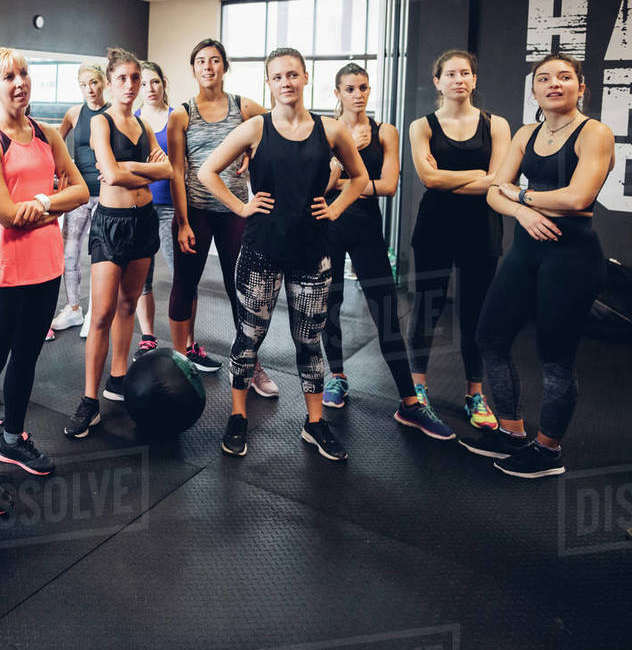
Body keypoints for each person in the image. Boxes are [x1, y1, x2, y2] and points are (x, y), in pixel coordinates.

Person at [198, 47, 368, 461]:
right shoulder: (256, 128)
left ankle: (315, 424)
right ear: (269, 84)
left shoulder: (329, 130)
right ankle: (238, 417)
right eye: (278, 77)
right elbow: (206, 171)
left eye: (293, 74)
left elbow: (359, 177)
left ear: (306, 78)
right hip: (260, 252)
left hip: (312, 253)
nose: (286, 82)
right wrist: (241, 206)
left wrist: (336, 206)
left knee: (308, 341)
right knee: (249, 338)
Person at [461, 53, 614, 478]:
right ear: (534, 90)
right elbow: (493, 193)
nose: (554, 84)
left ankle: (548, 451)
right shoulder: (527, 133)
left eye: (565, 77)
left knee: (554, 358)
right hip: (527, 250)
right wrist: (522, 213)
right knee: (490, 337)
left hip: (573, 256)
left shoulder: (594, 133)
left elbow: (577, 198)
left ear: (581, 88)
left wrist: (522, 196)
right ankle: (512, 434)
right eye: (544, 78)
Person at [0, 48, 88, 515]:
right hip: (4, 271)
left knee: (28, 357)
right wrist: (49, 204)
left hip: (46, 267)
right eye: (8, 76)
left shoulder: (47, 134)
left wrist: (42, 204)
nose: (20, 82)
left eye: (24, 74)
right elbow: (4, 213)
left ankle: (12, 440)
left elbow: (81, 189)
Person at [319, 64, 454, 440]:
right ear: (337, 93)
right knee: (330, 303)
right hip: (327, 224)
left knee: (386, 312)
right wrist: (346, 156)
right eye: (349, 88)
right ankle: (337, 376)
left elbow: (389, 185)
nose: (358, 94)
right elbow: (318, 186)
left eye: (363, 87)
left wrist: (350, 173)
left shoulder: (387, 132)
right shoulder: (325, 131)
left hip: (364, 228)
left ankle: (410, 403)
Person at [65, 49, 171, 439]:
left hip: (143, 223)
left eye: (135, 79)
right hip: (111, 224)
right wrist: (136, 171)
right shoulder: (101, 123)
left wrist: (130, 169)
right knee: (101, 313)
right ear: (110, 83)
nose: (130, 85)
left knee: (130, 304)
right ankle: (90, 401)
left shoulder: (142, 126)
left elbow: (169, 170)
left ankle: (119, 376)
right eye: (122, 79)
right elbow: (109, 173)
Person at [406, 50, 510, 430]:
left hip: (481, 229)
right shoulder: (423, 126)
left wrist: (452, 177)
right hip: (435, 228)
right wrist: (477, 175)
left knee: (476, 314)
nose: (458, 79)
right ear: (438, 81)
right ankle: (417, 392)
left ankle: (475, 394)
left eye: (465, 73)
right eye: (450, 74)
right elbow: (428, 180)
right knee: (426, 309)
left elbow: (497, 181)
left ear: (474, 80)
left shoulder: (496, 124)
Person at [167, 38, 274, 390]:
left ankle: (249, 364)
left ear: (224, 67)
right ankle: (181, 361)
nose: (208, 67)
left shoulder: (242, 108)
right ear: (193, 69)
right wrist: (182, 222)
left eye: (215, 60)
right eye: (201, 61)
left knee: (239, 289)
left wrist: (254, 148)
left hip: (234, 211)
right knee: (185, 283)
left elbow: (276, 119)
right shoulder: (182, 114)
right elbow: (177, 170)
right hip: (195, 212)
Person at [51, 64, 108, 337]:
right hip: (79, 192)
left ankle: (95, 313)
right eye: (84, 84)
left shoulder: (113, 113)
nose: (90, 88)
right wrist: (60, 172)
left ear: (104, 82)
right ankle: (73, 307)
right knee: (70, 252)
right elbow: (55, 143)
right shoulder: (74, 113)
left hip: (107, 194)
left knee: (99, 256)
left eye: (94, 82)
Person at [132, 61, 173, 357]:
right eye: (144, 83)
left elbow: (180, 168)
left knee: (182, 275)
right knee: (142, 278)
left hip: (171, 207)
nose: (150, 88)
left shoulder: (177, 118)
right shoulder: (130, 121)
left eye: (155, 82)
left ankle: (187, 339)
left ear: (163, 84)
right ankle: (148, 335)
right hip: (141, 207)